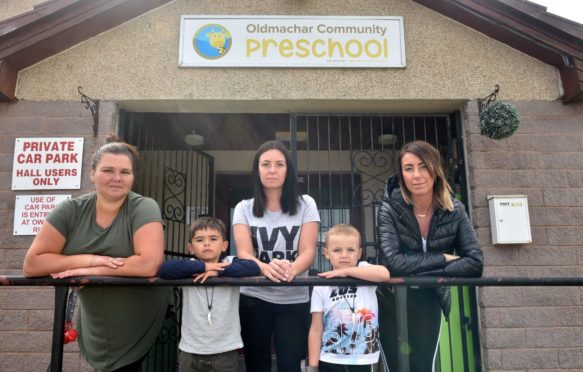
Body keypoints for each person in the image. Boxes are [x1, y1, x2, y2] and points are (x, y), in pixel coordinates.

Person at [23, 137, 172, 372]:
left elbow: (149, 264)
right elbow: (33, 263)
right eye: (108, 170)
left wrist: (89, 271)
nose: (117, 178)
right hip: (95, 326)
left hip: (140, 323)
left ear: (133, 177)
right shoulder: (69, 211)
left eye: (125, 172)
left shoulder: (144, 207)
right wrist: (89, 260)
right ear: (92, 173)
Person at [376, 140, 483, 372]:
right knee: (394, 367)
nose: (417, 175)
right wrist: (443, 258)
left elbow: (475, 262)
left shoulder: (454, 210)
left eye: (423, 166)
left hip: (430, 297)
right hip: (391, 299)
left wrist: (422, 272)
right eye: (408, 168)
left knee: (424, 366)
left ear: (436, 169)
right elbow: (393, 262)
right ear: (401, 173)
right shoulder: (389, 208)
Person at [232, 140, 320, 372]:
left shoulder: (306, 204)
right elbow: (243, 253)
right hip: (253, 297)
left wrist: (290, 269)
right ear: (257, 169)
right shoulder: (243, 208)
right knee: (256, 364)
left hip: (294, 299)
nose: (272, 170)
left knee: (290, 365)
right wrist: (264, 268)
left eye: (279, 164)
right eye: (266, 164)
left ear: (288, 170)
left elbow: (309, 252)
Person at [158, 216, 260, 372]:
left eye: (213, 239)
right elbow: (165, 269)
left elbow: (252, 267)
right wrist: (204, 267)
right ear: (190, 248)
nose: (206, 243)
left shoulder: (231, 262)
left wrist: (217, 272)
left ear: (224, 245)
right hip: (190, 350)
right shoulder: (189, 267)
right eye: (199, 240)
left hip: (225, 350)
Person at [308, 224, 390, 372]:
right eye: (337, 250)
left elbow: (384, 273)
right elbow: (316, 328)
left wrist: (346, 271)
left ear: (359, 253)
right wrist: (313, 366)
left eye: (350, 250)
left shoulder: (364, 270)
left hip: (364, 357)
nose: (344, 255)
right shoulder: (321, 285)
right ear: (326, 253)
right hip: (330, 357)